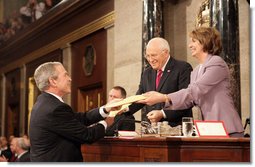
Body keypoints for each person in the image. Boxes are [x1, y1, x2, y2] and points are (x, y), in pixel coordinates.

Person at [138, 27, 244, 137]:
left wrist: (163, 97)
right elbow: (189, 100)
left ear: (205, 41)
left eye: (194, 41)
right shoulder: (196, 70)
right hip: (209, 128)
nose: (190, 45)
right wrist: (161, 110)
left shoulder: (217, 63)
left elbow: (195, 91)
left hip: (227, 128)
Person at [29, 62, 116, 162]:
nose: (70, 79)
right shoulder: (54, 108)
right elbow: (87, 135)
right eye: (65, 75)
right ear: (53, 81)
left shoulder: (45, 103)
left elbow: (81, 118)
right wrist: (107, 123)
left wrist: (105, 109)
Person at [125, 37, 193, 127]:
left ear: (165, 53)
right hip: (154, 129)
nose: (150, 60)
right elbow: (140, 98)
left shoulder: (182, 68)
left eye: (153, 55)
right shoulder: (146, 73)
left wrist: (163, 113)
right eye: (148, 56)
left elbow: (186, 99)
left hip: (177, 128)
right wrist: (123, 108)